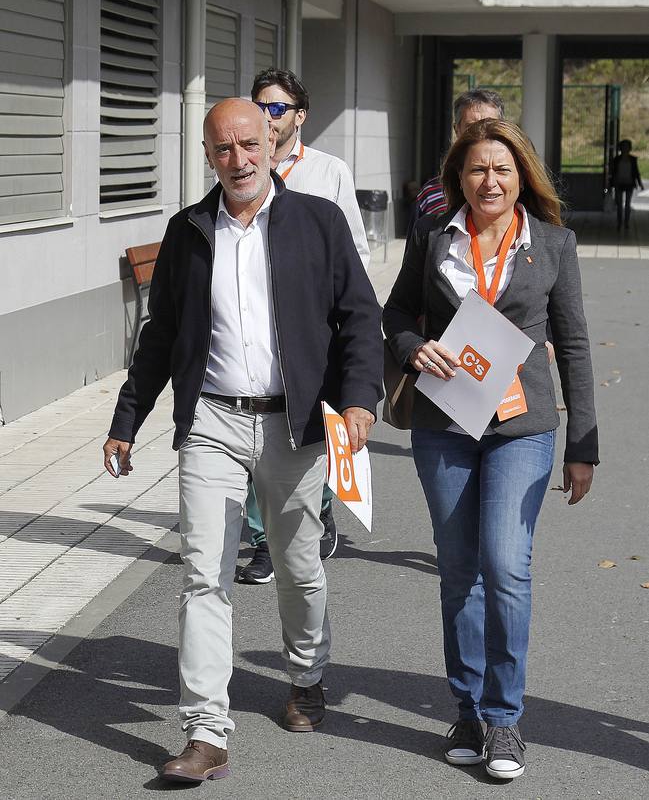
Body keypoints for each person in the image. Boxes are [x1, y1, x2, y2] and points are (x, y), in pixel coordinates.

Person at [103, 99, 383, 783]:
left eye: (249, 144)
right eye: (223, 149)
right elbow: (160, 336)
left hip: (294, 424)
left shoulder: (316, 222)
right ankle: (205, 731)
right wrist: (126, 418)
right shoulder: (188, 231)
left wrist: (356, 401)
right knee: (205, 575)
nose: (238, 160)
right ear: (208, 156)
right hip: (212, 423)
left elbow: (358, 318)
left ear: (273, 143)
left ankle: (307, 674)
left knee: (298, 567)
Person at [383, 118, 598, 781]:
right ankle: (467, 710)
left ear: (521, 176)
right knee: (457, 573)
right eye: (477, 169)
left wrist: (583, 444)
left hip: (521, 427)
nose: (489, 181)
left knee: (504, 566)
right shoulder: (432, 236)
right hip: (445, 423)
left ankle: (504, 718)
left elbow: (576, 342)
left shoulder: (553, 243)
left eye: (501, 169)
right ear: (459, 177)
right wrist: (411, 348)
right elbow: (393, 314)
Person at [236, 68, 371, 585]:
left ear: (300, 117)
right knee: (254, 437)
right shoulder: (241, 164)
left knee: (315, 434)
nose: (268, 118)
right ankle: (264, 541)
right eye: (260, 106)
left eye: (277, 109)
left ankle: (321, 507)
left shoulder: (328, 171)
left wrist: (354, 324)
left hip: (315, 331)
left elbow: (353, 252)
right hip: (255, 332)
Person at [406, 89, 505, 243]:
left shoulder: (515, 191)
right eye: (471, 128)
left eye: (489, 126)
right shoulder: (430, 195)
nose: (481, 134)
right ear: (456, 130)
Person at [609, 138, 644, 231]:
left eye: (627, 147)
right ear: (621, 148)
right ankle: (619, 222)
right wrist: (611, 183)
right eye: (623, 147)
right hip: (618, 183)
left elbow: (636, 172)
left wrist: (640, 183)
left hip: (629, 183)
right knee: (619, 204)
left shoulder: (633, 159)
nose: (625, 149)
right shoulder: (617, 159)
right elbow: (613, 172)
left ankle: (626, 222)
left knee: (628, 204)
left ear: (629, 148)